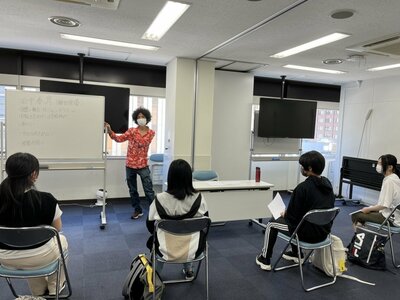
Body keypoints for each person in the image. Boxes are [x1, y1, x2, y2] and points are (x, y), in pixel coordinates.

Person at [0, 152, 68, 296]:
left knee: (27, 242)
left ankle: (37, 290)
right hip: (40, 256)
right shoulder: (46, 200)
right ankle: (55, 286)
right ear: (34, 175)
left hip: (4, 258)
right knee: (61, 240)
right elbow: (57, 228)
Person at [255, 150, 335, 271]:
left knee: (272, 223)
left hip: (307, 234)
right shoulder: (327, 184)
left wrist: (285, 213)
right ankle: (296, 253)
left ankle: (265, 258)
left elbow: (292, 218)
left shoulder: (302, 188)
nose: (301, 168)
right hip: (324, 233)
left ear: (309, 168)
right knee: (299, 220)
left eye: (302, 166)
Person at [146, 159, 208, 280]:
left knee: (159, 238)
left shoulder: (159, 199)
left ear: (170, 177)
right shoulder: (199, 198)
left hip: (164, 249)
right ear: (189, 177)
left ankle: (155, 277)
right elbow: (204, 224)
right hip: (193, 249)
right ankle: (189, 269)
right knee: (189, 233)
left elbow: (150, 226)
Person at [105, 107, 156, 219]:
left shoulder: (151, 133)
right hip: (130, 165)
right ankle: (138, 210)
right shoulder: (132, 131)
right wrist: (109, 130)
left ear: (147, 118)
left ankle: (155, 212)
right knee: (133, 190)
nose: (140, 118)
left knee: (149, 190)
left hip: (143, 165)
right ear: (135, 119)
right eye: (138, 117)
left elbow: (143, 142)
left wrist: (134, 136)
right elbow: (119, 139)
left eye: (142, 117)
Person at [351, 154, 400, 229]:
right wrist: (371, 208)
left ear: (390, 167)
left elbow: (384, 205)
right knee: (362, 214)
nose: (378, 165)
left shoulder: (389, 181)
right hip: (392, 215)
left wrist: (369, 209)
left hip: (390, 218)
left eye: (381, 164)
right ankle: (361, 238)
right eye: (378, 163)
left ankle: (360, 238)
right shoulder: (394, 178)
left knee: (356, 215)